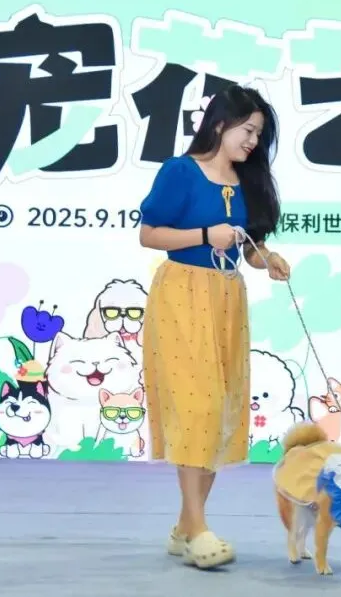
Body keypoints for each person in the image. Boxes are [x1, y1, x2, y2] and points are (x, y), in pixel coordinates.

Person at [138, 84, 290, 570]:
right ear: (220, 123)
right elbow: (149, 235)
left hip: (227, 298)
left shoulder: (247, 179)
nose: (253, 142)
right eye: (248, 130)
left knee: (219, 411)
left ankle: (186, 528)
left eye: (259, 135)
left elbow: (247, 246)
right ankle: (198, 529)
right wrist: (205, 234)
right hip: (182, 294)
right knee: (196, 408)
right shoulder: (180, 171)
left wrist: (266, 258)